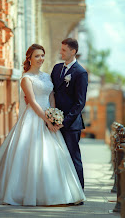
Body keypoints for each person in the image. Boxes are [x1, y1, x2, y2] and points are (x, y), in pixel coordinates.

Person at [0, 44, 85, 206]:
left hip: (48, 117)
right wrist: (46, 119)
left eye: (42, 55)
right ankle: (23, 193)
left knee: (52, 157)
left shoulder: (47, 76)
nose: (40, 59)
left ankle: (55, 193)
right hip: (33, 118)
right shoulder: (26, 78)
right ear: (29, 58)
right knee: (30, 156)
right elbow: (31, 101)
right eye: (37, 56)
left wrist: (54, 116)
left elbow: (51, 96)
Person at [51, 38, 88, 191]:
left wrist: (64, 122)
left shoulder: (81, 73)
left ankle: (78, 192)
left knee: (73, 158)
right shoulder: (56, 68)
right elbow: (51, 92)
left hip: (71, 125)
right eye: (61, 49)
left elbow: (80, 103)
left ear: (73, 52)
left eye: (64, 50)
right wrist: (51, 117)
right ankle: (62, 190)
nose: (61, 52)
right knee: (56, 158)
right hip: (54, 121)